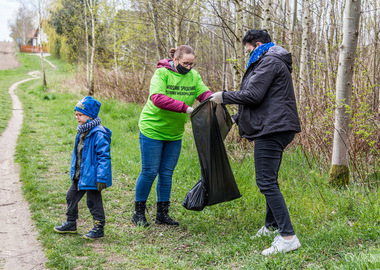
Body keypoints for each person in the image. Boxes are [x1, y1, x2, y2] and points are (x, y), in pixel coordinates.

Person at [210, 29, 302, 255]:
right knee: (270, 179)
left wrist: (223, 96)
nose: (247, 52)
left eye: (248, 48)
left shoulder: (268, 61)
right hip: (276, 125)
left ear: (257, 44)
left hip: (272, 129)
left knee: (265, 182)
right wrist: (237, 117)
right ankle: (272, 226)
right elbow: (267, 100)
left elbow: (253, 95)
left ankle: (288, 236)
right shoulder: (271, 60)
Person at [132, 45, 213, 227]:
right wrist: (186, 108)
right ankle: (138, 213)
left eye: (192, 64)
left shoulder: (193, 76)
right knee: (150, 171)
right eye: (185, 63)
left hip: (174, 132)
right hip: (152, 128)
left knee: (166, 173)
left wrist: (212, 98)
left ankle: (162, 214)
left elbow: (203, 93)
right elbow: (157, 98)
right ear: (175, 60)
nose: (189, 67)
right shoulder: (162, 74)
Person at [54, 96, 112, 240]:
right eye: (76, 114)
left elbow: (104, 157)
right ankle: (70, 223)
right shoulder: (81, 131)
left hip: (93, 178)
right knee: (70, 197)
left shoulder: (99, 133)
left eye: (80, 115)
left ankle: (99, 228)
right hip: (80, 176)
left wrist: (101, 178)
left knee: (93, 202)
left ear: (90, 116)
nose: (77, 117)